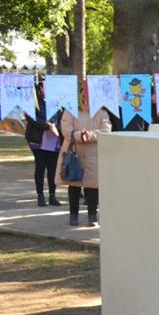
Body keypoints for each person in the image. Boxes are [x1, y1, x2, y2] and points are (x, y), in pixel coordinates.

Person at [57, 96, 113, 226]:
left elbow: (106, 130)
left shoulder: (102, 111)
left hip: (93, 153)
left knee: (92, 187)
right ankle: (73, 215)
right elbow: (65, 128)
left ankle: (92, 215)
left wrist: (90, 135)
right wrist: (79, 135)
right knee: (74, 185)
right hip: (74, 151)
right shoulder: (71, 110)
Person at [26, 84, 63, 207]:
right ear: (40, 88)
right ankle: (40, 195)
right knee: (40, 167)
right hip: (38, 140)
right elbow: (31, 117)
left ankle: (52, 195)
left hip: (55, 140)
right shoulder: (34, 101)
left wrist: (56, 128)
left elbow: (63, 119)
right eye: (44, 86)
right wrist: (48, 126)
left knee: (53, 168)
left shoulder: (59, 101)